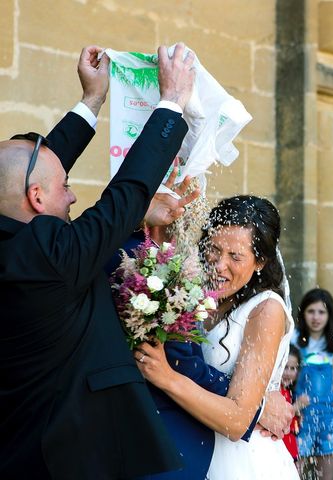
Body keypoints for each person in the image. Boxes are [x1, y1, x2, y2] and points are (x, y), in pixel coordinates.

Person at [0, 43, 195, 478]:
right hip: (69, 460)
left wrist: (91, 102)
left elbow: (25, 174)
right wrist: (171, 103)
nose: (72, 196)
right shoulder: (49, 256)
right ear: (36, 199)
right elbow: (121, 197)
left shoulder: (19, 242)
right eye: (66, 186)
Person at [135, 195, 299, 479]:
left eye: (235, 256)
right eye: (213, 249)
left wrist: (166, 377)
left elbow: (237, 422)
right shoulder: (195, 295)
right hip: (194, 449)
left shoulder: (266, 310)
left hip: (243, 462)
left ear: (260, 262)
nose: (219, 265)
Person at [291, 288, 333, 480]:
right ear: (302, 313)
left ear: (329, 315)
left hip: (328, 412)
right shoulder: (294, 338)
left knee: (326, 466)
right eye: (311, 311)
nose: (316, 317)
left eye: (322, 312)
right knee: (297, 467)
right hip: (301, 413)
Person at [280, 345, 308, 465]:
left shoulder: (287, 391)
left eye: (293, 368)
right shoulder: (276, 392)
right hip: (281, 451)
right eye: (285, 367)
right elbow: (279, 420)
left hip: (291, 450)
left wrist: (297, 418)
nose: (288, 373)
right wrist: (296, 407)